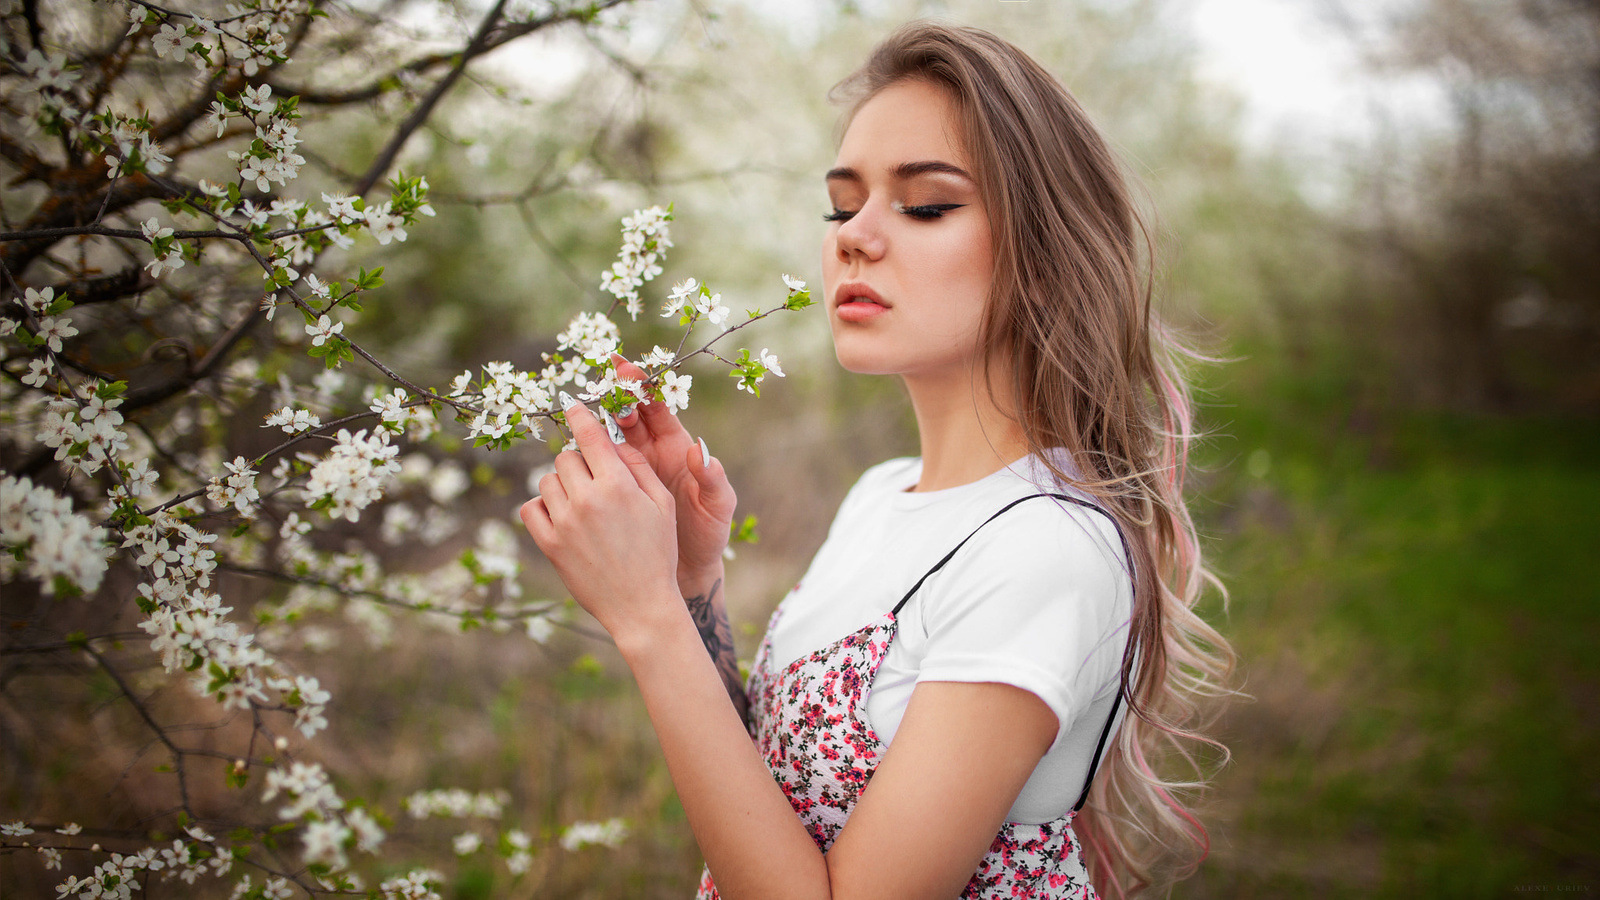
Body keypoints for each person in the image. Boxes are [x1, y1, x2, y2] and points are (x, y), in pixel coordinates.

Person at [519, 21, 1234, 899]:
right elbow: (776, 800)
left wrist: (647, 623)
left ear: (1043, 258)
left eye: (926, 205)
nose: (854, 236)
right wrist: (686, 582)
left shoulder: (1042, 548)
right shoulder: (881, 493)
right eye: (841, 204)